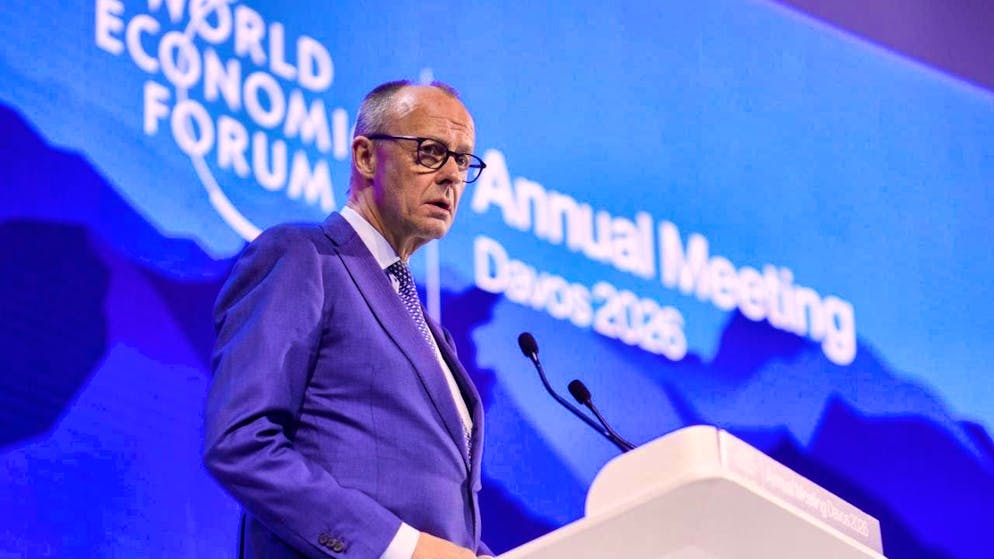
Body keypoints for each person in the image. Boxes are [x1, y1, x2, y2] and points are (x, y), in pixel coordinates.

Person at [204, 80, 493, 559]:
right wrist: (400, 549)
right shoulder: (303, 257)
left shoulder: (430, 331)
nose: (451, 176)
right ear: (364, 156)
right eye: (430, 152)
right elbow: (241, 443)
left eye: (462, 160)